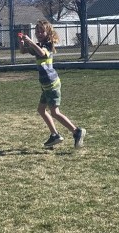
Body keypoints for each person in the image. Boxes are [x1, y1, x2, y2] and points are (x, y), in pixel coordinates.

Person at [17, 21, 85, 149]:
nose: (39, 33)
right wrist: (22, 42)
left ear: (48, 33)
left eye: (42, 31)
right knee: (41, 110)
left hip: (52, 84)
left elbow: (42, 53)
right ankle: (54, 135)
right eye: (37, 31)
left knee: (54, 112)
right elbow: (23, 51)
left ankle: (76, 131)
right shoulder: (38, 45)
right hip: (45, 86)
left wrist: (30, 42)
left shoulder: (47, 45)